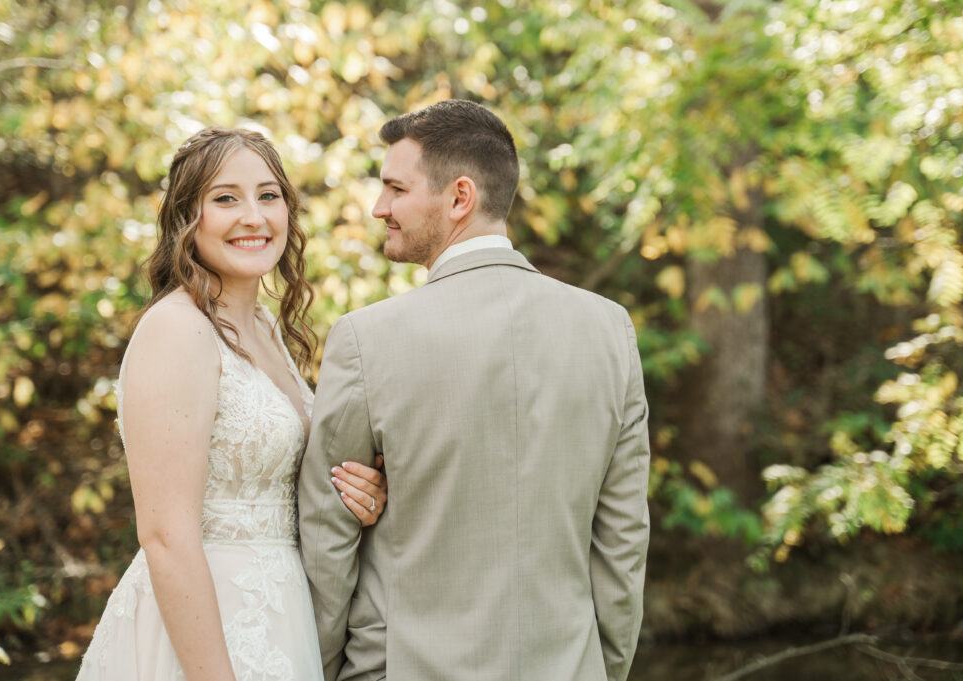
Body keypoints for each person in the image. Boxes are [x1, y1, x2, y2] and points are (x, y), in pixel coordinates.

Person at [298, 99, 651, 681]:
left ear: (459, 197)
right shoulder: (610, 329)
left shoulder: (365, 339)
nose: (378, 207)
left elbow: (326, 533)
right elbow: (622, 540)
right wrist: (602, 668)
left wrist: (326, 666)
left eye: (395, 188)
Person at [76, 127, 388, 681]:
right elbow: (167, 536)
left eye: (269, 196)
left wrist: (358, 493)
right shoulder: (177, 330)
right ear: (185, 219)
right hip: (202, 632)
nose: (254, 216)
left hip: (280, 616)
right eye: (225, 198)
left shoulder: (266, 328)